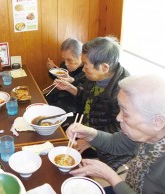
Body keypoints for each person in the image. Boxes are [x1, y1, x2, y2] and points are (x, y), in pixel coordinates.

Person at [66, 75, 165, 194]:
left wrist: (110, 176)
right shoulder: (147, 135)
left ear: (158, 122)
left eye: (126, 114)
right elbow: (115, 142)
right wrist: (89, 133)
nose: (118, 118)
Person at [53, 36, 132, 170]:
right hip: (85, 129)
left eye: (86, 65)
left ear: (104, 67)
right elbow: (86, 98)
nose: (83, 69)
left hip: (105, 148)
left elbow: (119, 129)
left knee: (71, 167)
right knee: (55, 140)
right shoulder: (94, 75)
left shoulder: (124, 91)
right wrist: (70, 88)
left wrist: (90, 140)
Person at [45, 38, 85, 119]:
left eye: (69, 60)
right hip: (59, 98)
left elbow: (83, 96)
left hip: (72, 107)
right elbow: (58, 78)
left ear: (81, 56)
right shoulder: (65, 65)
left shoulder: (87, 71)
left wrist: (72, 81)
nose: (66, 63)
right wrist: (52, 69)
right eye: (64, 59)